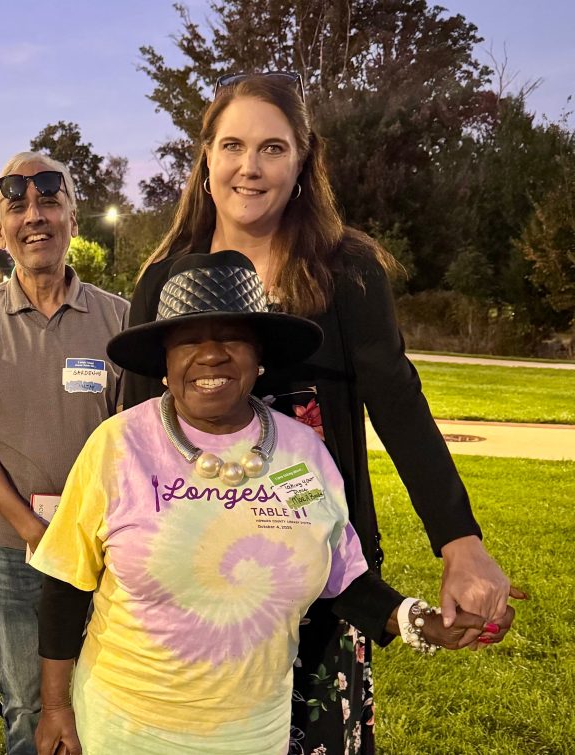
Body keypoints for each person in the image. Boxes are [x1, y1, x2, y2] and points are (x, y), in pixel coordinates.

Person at [122, 72, 520, 753]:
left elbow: (397, 401)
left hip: (325, 585)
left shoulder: (346, 271)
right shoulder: (168, 277)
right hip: (199, 587)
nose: (250, 167)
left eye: (273, 148)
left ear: (304, 159)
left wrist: (461, 542)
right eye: (233, 145)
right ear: (206, 156)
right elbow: (134, 439)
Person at [32, 252, 517, 755]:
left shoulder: (302, 451)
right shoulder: (118, 446)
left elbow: (341, 577)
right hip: (126, 727)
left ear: (258, 357)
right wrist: (54, 709)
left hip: (254, 732)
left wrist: (424, 624)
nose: (212, 354)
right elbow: (66, 584)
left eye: (232, 337)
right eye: (189, 340)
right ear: (164, 363)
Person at [0, 152, 129, 755]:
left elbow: (133, 443)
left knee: (107, 696)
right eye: (16, 204)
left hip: (107, 547)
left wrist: (94, 532)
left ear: (74, 215)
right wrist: (34, 530)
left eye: (49, 200)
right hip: (15, 549)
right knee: (27, 707)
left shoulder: (119, 321)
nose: (34, 216)